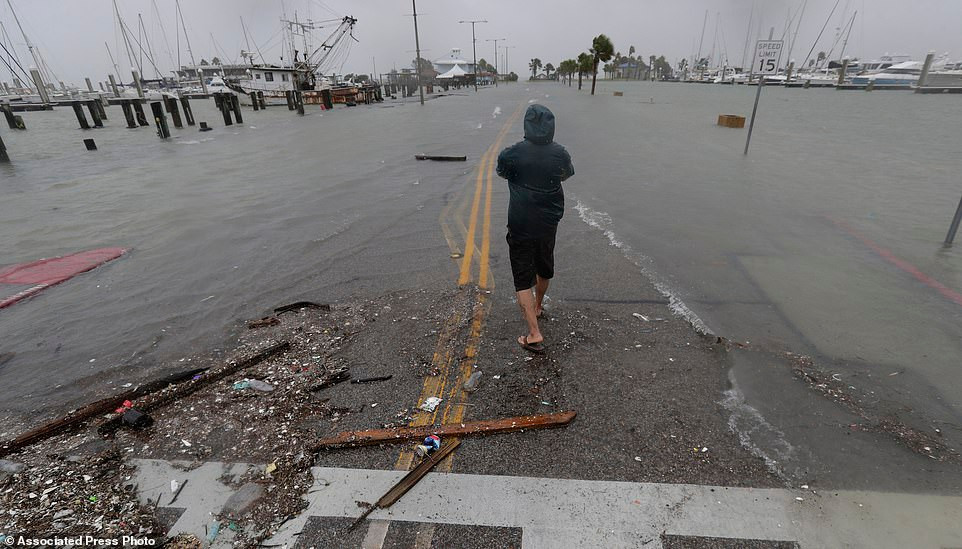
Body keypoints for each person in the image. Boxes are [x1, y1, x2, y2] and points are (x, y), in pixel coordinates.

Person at [496, 104, 574, 354]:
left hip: (520, 222)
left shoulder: (511, 154)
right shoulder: (560, 153)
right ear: (551, 126)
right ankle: (538, 305)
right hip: (548, 221)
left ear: (526, 125)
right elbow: (565, 175)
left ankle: (533, 333)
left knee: (522, 278)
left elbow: (504, 173)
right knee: (544, 266)